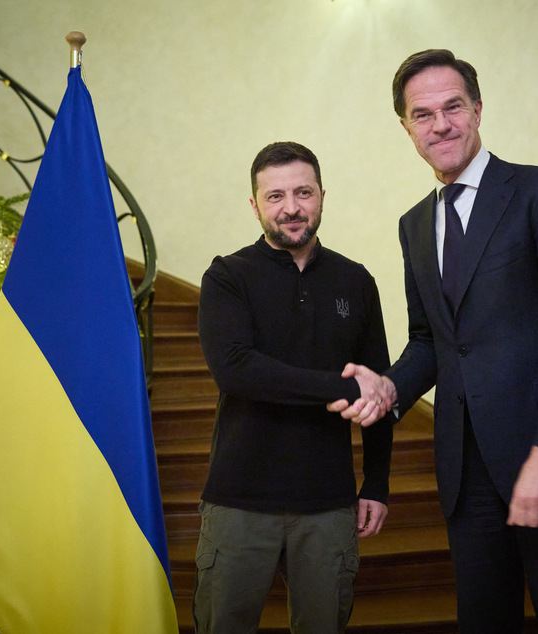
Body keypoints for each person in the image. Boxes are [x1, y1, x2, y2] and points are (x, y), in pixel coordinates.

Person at [329, 49, 538, 633]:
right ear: (407, 128)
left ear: (478, 110)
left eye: (452, 106)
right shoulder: (414, 224)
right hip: (467, 477)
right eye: (422, 114)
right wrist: (389, 387)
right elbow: (430, 341)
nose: (440, 124)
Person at [193, 141, 394, 634]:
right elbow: (236, 369)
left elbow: (377, 390)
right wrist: (340, 388)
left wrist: (378, 482)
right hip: (239, 500)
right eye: (275, 195)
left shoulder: (356, 281)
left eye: (303, 192)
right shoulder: (228, 276)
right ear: (255, 204)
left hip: (328, 502)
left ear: (322, 195)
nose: (291, 208)